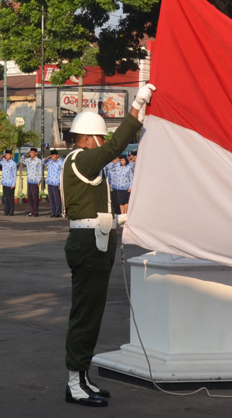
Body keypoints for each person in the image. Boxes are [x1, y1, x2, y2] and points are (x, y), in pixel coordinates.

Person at [62, 83, 154, 408]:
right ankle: (74, 382)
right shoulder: (80, 159)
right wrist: (136, 107)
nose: (101, 144)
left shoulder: (86, 165)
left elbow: (95, 210)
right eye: (99, 139)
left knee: (93, 314)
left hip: (97, 241)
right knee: (85, 314)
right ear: (88, 138)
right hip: (88, 245)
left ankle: (82, 376)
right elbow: (115, 146)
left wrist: (119, 221)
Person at [0, 150, 18, 216]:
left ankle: (11, 212)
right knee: (5, 198)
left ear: (11, 155)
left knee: (10, 198)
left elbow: (14, 174)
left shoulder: (13, 164)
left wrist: (13, 184)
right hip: (4, 182)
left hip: (10, 183)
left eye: (8, 155)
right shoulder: (4, 162)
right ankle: (6, 211)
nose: (7, 156)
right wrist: (1, 157)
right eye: (6, 155)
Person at [23, 147, 43, 217]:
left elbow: (40, 171)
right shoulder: (28, 160)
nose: (31, 154)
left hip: (35, 181)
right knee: (30, 197)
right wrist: (25, 155)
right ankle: (31, 211)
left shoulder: (38, 161)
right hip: (29, 180)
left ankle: (36, 211)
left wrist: (39, 180)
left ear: (36, 153)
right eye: (30, 152)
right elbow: (21, 161)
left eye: (32, 152)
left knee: (35, 197)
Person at [45, 151, 64, 218]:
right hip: (50, 182)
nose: (53, 157)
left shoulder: (61, 163)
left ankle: (58, 212)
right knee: (51, 198)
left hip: (56, 183)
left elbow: (63, 174)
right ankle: (53, 212)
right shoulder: (50, 161)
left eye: (54, 155)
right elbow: (42, 163)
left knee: (57, 199)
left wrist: (60, 184)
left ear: (57, 155)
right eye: (52, 156)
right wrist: (47, 158)